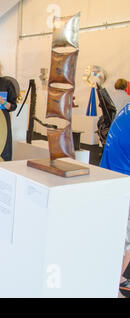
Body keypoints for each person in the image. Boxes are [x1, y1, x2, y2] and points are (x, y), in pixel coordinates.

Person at [99, 102, 130, 298]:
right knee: (124, 239)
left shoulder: (127, 108)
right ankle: (115, 285)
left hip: (113, 179)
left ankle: (117, 281)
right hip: (123, 183)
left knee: (121, 238)